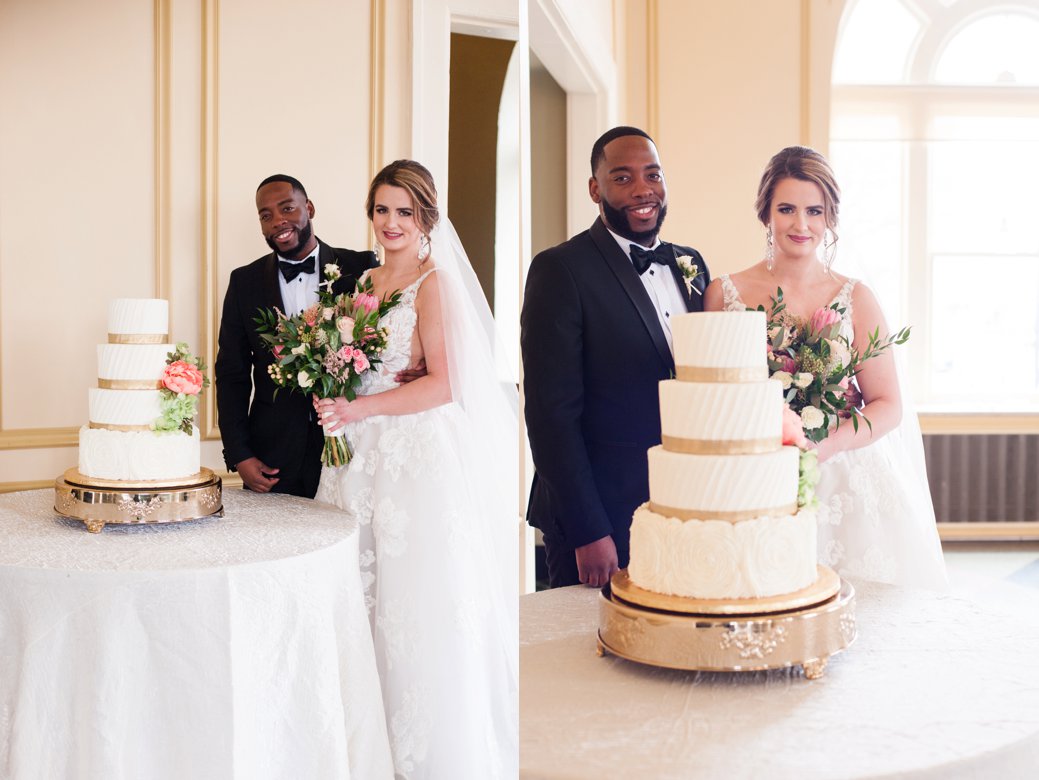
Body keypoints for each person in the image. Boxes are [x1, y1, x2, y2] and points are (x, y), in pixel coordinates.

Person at [313, 160, 518, 778]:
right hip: (357, 457)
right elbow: (349, 364)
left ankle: (426, 750)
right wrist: (331, 390)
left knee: (414, 600)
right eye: (382, 210)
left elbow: (445, 384)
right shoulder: (360, 282)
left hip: (413, 461)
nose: (391, 222)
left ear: (426, 217)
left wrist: (359, 406)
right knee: (361, 595)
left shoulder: (434, 284)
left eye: (404, 211)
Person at [704, 145, 947, 590]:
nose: (801, 225)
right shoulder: (724, 294)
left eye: (814, 211)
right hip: (755, 475)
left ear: (830, 216)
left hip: (844, 477)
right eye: (787, 209)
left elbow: (888, 404)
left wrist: (826, 448)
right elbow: (712, 397)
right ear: (765, 213)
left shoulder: (857, 298)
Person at [521, 126, 711, 589]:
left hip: (680, 507)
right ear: (595, 189)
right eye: (623, 178)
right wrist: (588, 530)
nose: (643, 189)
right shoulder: (560, 269)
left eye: (653, 175)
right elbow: (550, 416)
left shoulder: (691, 264)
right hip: (601, 517)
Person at [215, 174, 379, 497]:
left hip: (351, 448)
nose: (278, 221)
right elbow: (232, 374)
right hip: (272, 458)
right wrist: (239, 454)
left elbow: (382, 344)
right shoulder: (244, 282)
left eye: (287, 208)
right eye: (266, 216)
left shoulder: (361, 268)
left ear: (310, 209)